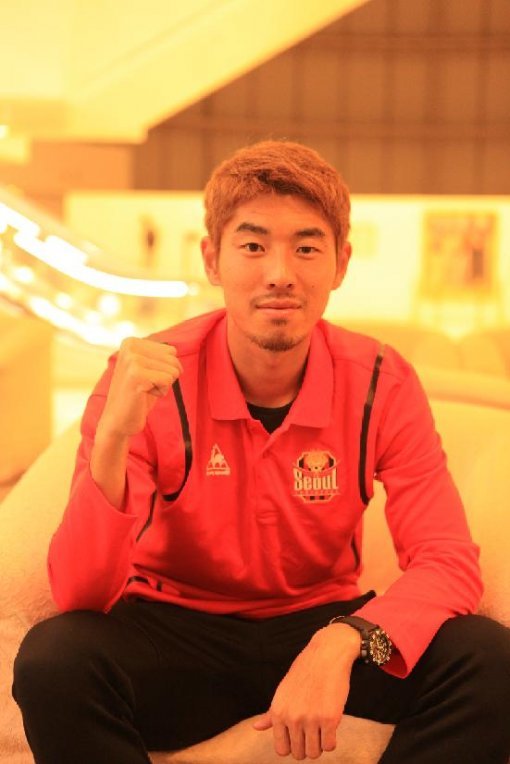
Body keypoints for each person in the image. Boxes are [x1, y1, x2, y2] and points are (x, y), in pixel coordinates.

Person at [13, 140, 510, 764]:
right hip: (174, 636)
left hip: (323, 621)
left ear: (341, 263)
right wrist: (113, 438)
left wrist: (341, 643)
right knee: (54, 660)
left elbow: (447, 560)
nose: (280, 273)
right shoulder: (147, 377)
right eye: (253, 246)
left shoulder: (381, 382)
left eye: (306, 248)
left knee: (489, 659)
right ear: (212, 259)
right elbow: (80, 596)